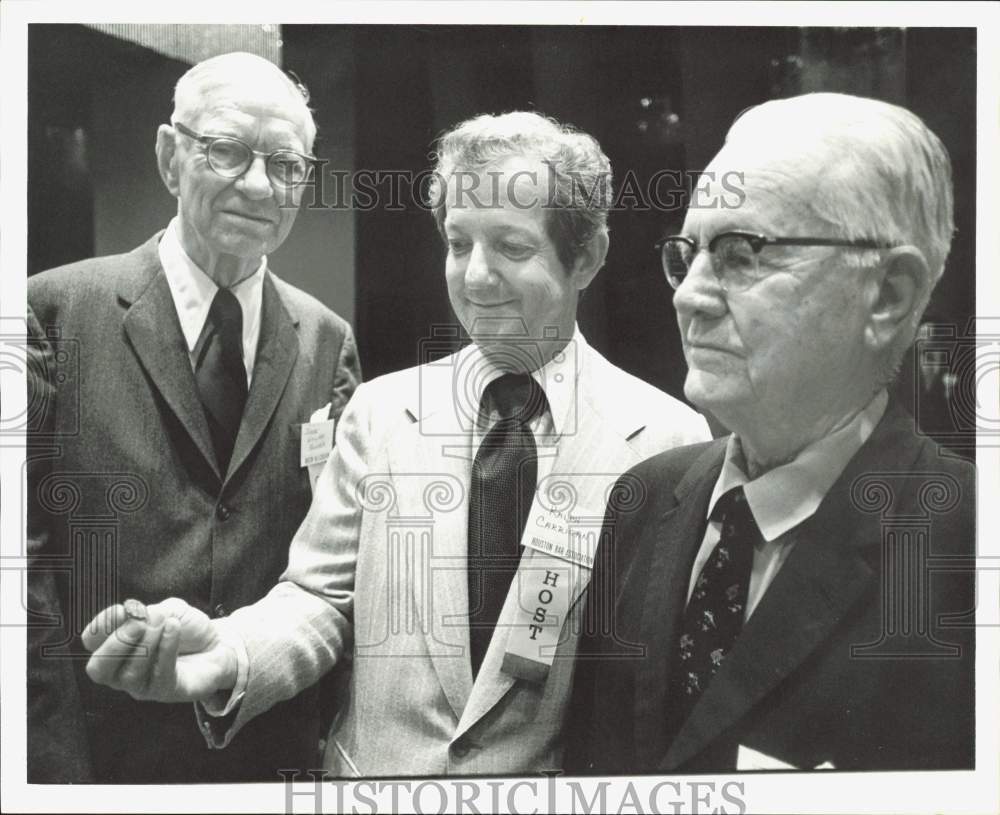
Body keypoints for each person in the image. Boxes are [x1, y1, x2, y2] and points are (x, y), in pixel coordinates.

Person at [79, 111, 710, 776]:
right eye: (459, 243)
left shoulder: (666, 442)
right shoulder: (382, 413)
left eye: (512, 249)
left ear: (586, 257)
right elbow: (321, 600)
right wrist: (227, 654)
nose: (475, 277)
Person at [565, 93, 975, 773]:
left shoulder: (971, 551)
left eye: (741, 253)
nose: (688, 295)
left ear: (889, 294)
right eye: (686, 254)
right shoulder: (643, 498)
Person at [26, 52, 360, 783]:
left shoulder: (327, 340)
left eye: (285, 164)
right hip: (97, 753)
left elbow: (333, 568)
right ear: (169, 156)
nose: (257, 184)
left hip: (268, 751)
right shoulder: (50, 313)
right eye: (227, 151)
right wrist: (48, 771)